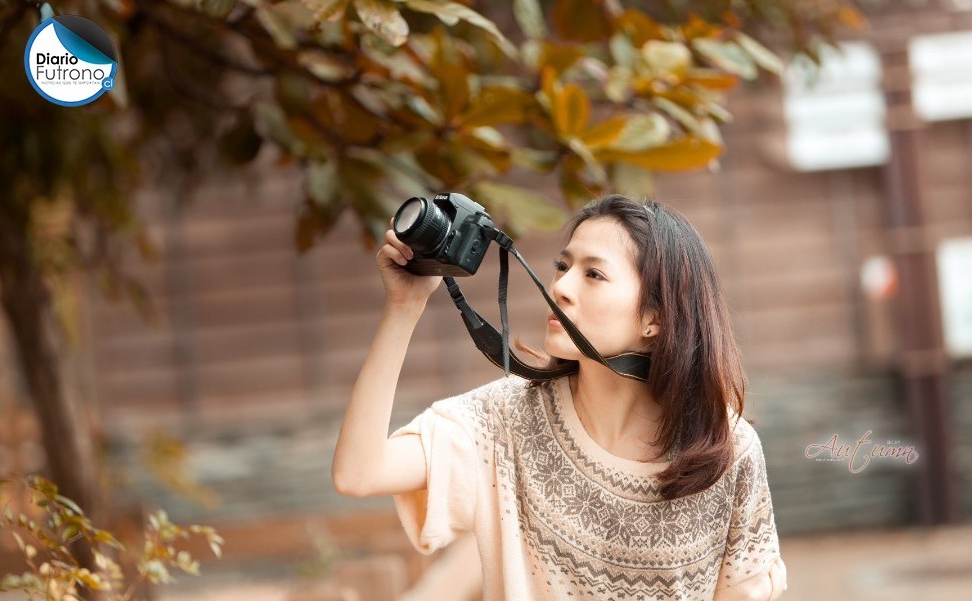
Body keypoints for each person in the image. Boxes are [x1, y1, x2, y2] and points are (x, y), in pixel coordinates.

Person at [332, 194, 787, 601]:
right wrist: (404, 306)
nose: (561, 288)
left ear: (655, 318)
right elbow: (358, 472)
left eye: (594, 274)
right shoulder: (504, 419)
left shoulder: (727, 452)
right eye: (563, 267)